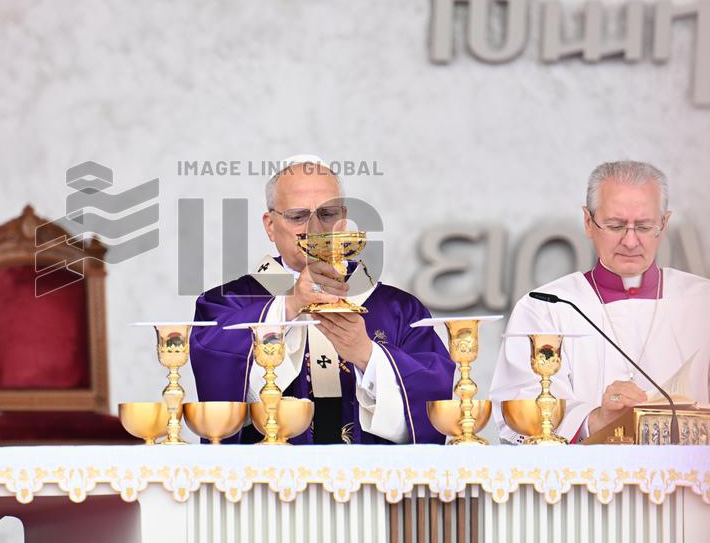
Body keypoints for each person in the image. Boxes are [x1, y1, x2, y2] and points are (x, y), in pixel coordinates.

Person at [190, 157, 453, 444]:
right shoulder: (225, 303)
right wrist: (289, 306)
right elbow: (213, 370)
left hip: (370, 482)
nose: (314, 228)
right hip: (266, 481)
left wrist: (367, 354)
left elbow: (434, 396)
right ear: (270, 225)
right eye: (298, 215)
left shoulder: (400, 309)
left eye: (327, 214)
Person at [490, 160, 710, 443]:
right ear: (588, 222)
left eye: (644, 226)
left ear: (664, 224)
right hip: (586, 482)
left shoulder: (702, 301)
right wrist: (596, 420)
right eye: (616, 226)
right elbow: (521, 413)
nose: (630, 242)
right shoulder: (547, 307)